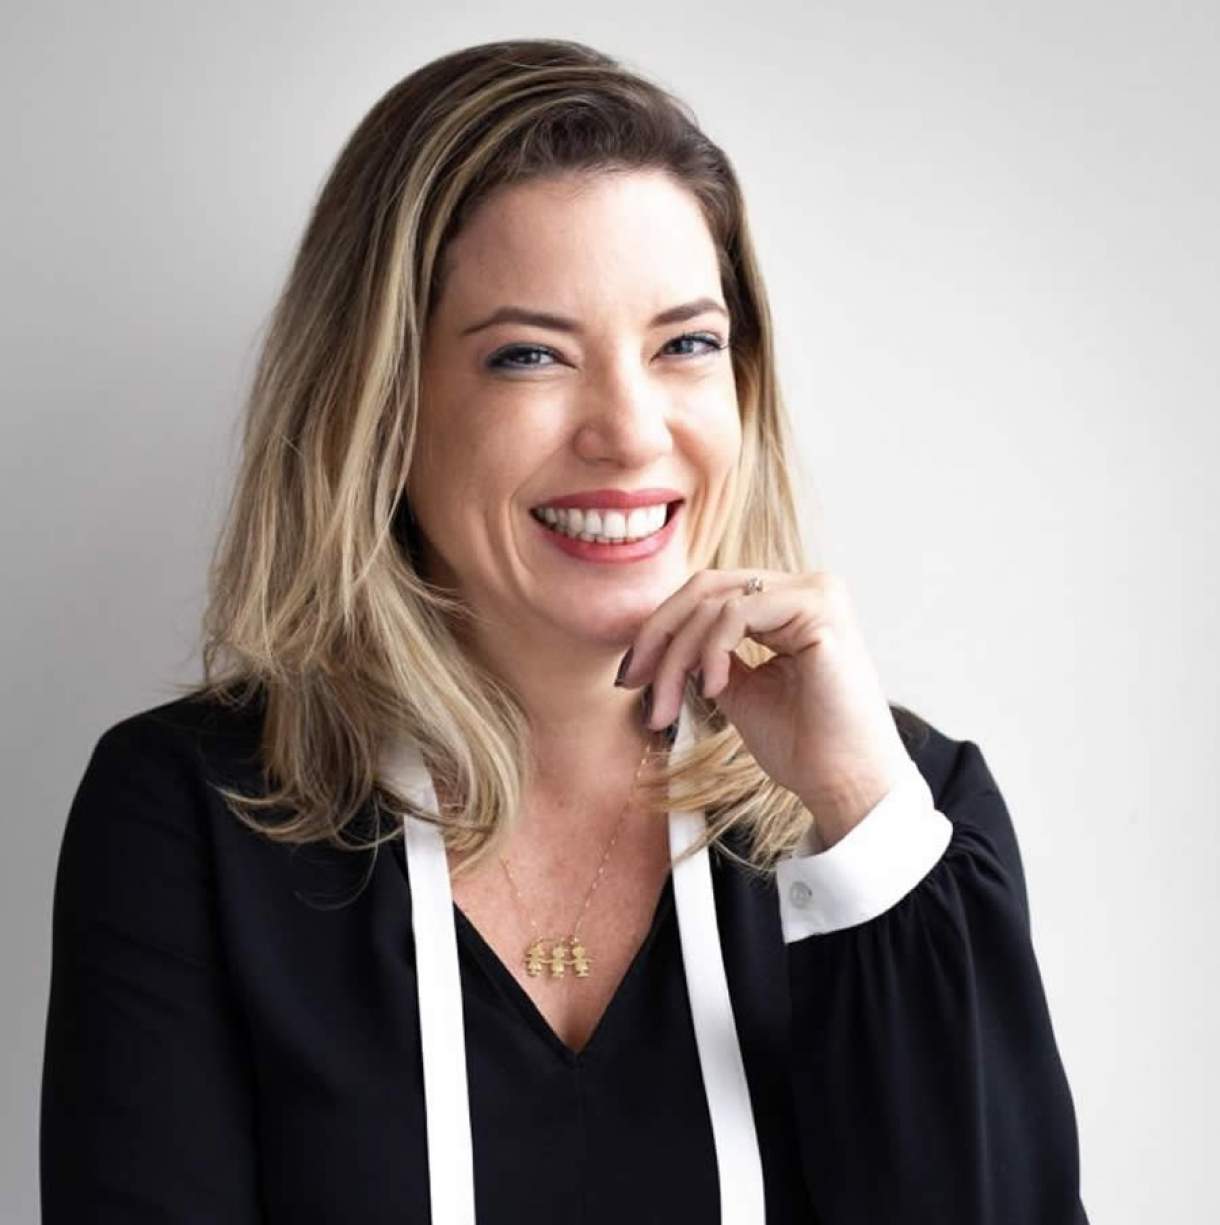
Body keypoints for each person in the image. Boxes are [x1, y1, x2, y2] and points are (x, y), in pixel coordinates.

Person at [39, 37, 1089, 1224]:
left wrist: (855, 812)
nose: (629, 433)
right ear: (379, 401)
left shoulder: (907, 819)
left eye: (684, 344)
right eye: (529, 355)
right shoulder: (193, 818)